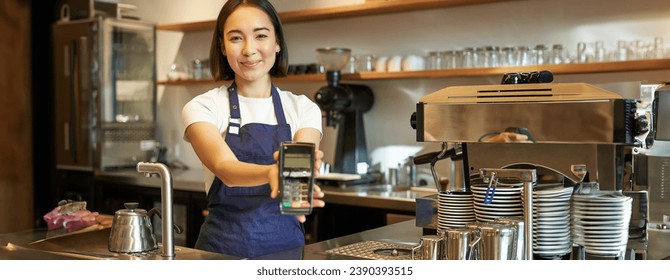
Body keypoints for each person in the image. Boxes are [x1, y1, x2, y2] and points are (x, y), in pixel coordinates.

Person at [181, 0, 325, 259]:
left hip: (286, 256)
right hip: (221, 254)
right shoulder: (202, 107)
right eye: (236, 38)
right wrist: (272, 172)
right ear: (223, 47)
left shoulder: (304, 109)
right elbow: (226, 169)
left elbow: (299, 170)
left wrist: (303, 179)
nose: (249, 49)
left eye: (261, 35)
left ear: (277, 42)